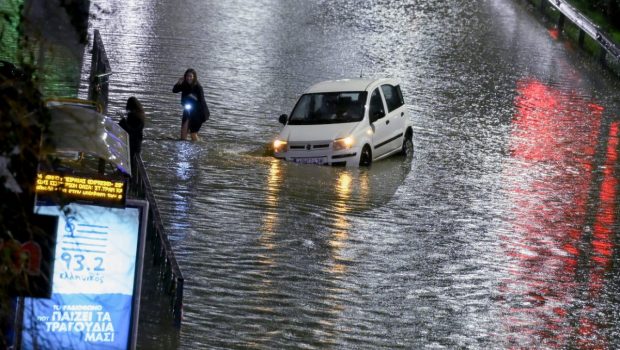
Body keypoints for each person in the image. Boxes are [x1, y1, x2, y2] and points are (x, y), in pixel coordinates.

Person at [172, 68, 209, 141]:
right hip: (187, 110)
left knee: (193, 134)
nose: (189, 78)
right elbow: (174, 90)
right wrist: (179, 82)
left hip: (199, 113)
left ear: (194, 77)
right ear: (185, 76)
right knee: (183, 136)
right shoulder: (184, 85)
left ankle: (197, 147)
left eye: (190, 76)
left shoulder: (198, 87)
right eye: (187, 76)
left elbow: (202, 101)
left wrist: (193, 98)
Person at [119, 96, 145, 168]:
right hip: (136, 144)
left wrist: (123, 120)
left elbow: (130, 130)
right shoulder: (140, 116)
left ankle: (126, 174)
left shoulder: (135, 117)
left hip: (132, 144)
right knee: (131, 164)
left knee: (129, 163)